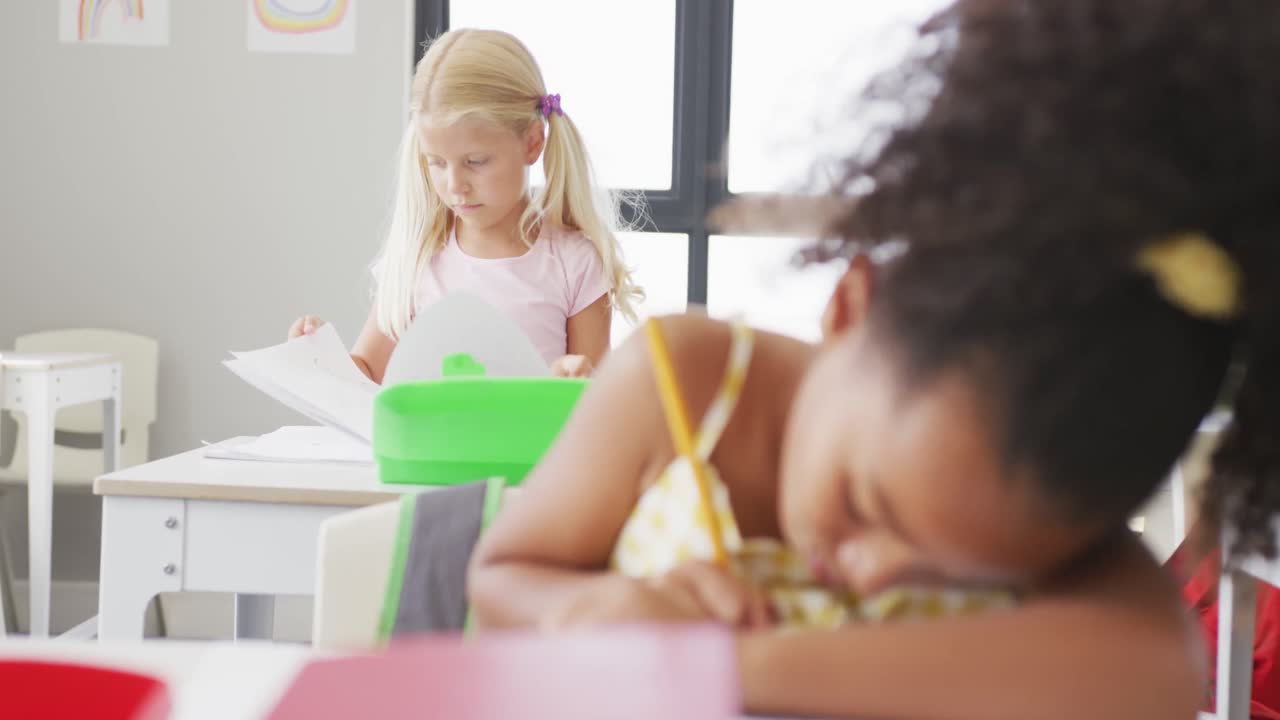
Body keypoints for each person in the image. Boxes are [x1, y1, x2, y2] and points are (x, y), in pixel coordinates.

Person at [467, 1, 1280, 717]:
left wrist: (727, 668)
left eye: (957, 574)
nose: (870, 575)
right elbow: (501, 576)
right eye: (868, 503)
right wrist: (584, 613)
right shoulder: (684, 384)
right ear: (851, 306)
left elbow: (1156, 676)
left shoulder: (1039, 514)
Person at [289, 29, 641, 381]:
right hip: (431, 438)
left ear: (532, 143)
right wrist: (320, 360)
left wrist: (573, 382)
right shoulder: (417, 259)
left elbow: (596, 405)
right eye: (437, 163)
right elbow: (365, 374)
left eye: (475, 161)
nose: (455, 185)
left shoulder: (574, 264)